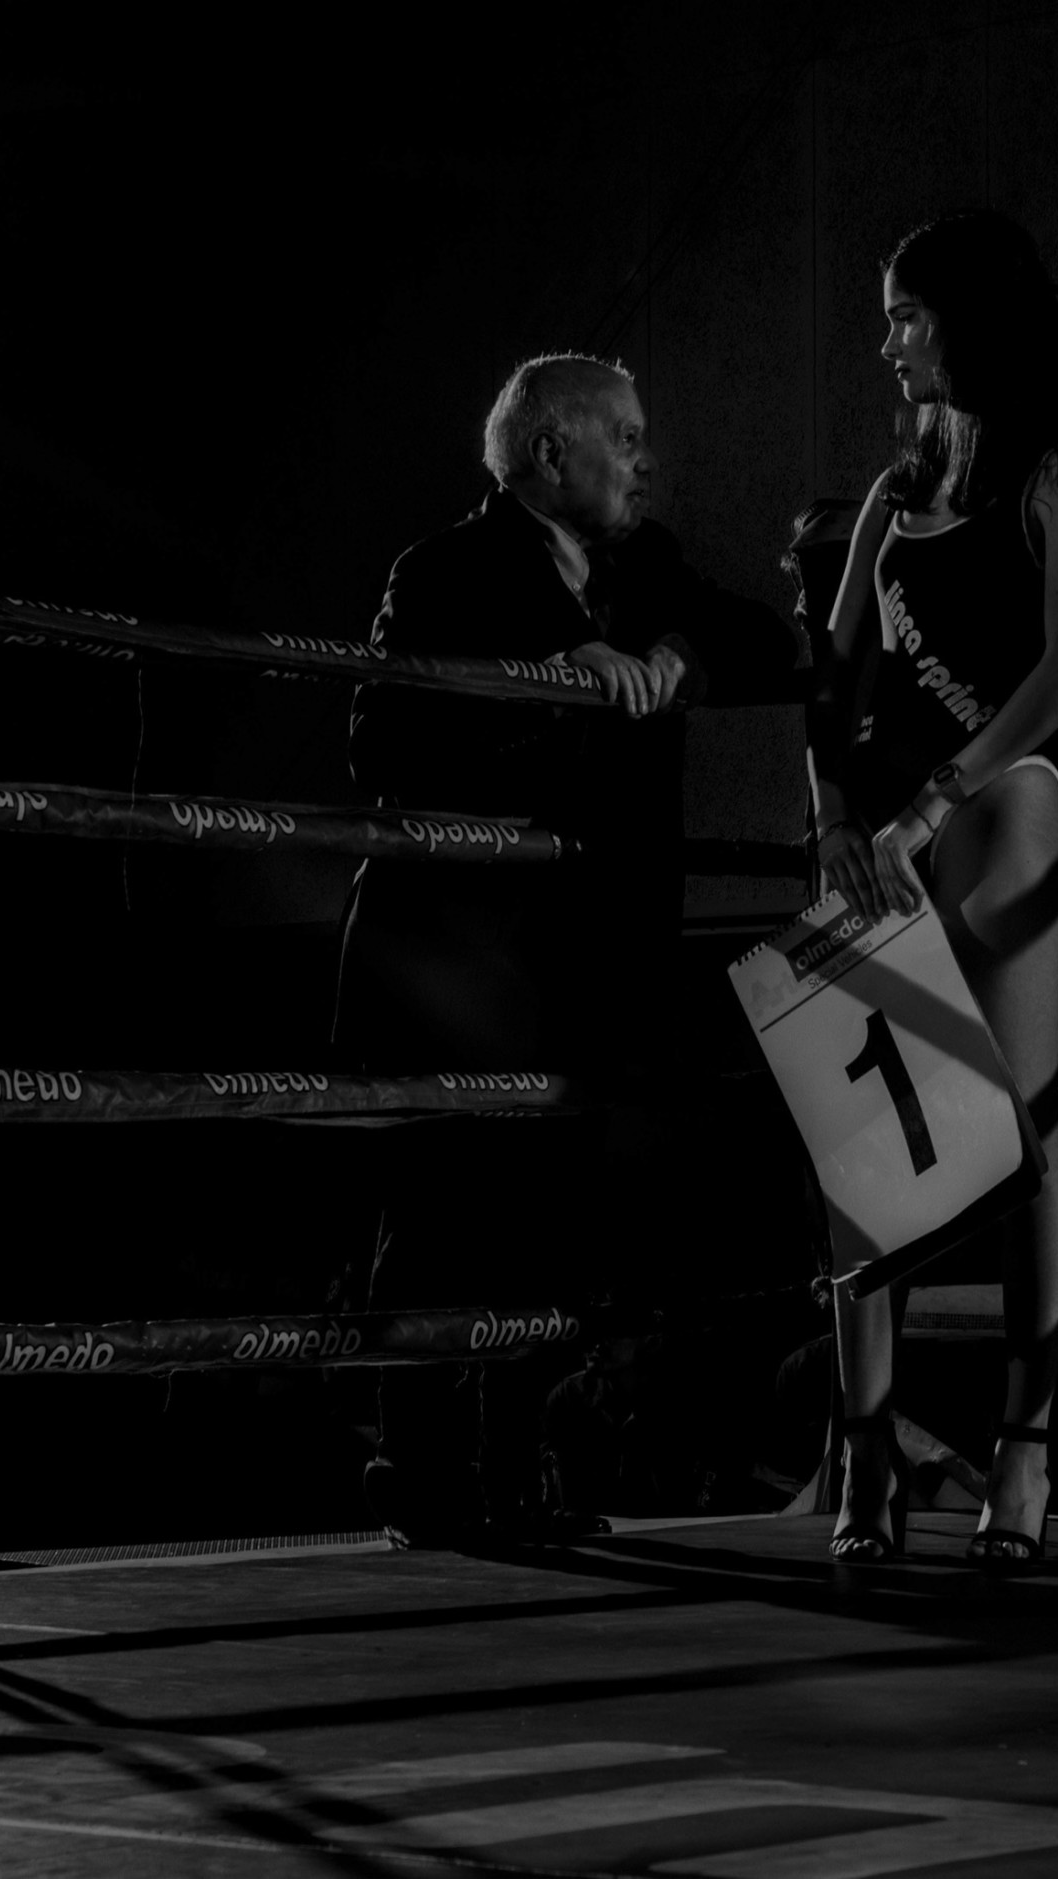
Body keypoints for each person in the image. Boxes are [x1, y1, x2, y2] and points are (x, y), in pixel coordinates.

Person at [339, 352, 796, 1541]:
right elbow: (381, 744)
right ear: (552, 451)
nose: (646, 461)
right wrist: (546, 682)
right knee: (440, 1220)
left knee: (552, 1222)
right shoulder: (443, 568)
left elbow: (764, 639)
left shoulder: (645, 566)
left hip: (584, 961)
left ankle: (515, 1476)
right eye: (625, 437)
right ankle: (423, 1473)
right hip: (459, 962)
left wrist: (681, 658)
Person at [805, 211, 1058, 1570]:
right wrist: (832, 817)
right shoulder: (893, 488)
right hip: (878, 822)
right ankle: (863, 1448)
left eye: (906, 314)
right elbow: (833, 679)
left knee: (1019, 1122)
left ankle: (1024, 1447)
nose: (887, 341)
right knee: (862, 1138)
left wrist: (938, 794)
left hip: (998, 800)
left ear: (967, 319)